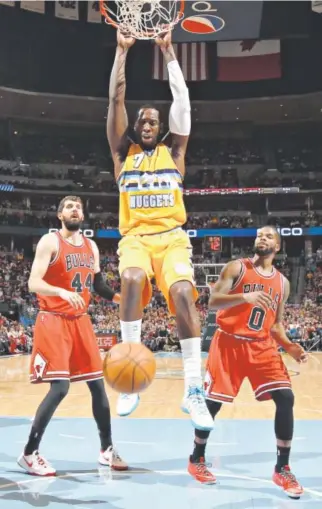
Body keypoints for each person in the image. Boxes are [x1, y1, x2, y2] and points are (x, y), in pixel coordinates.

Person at [106, 29, 213, 431]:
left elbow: (182, 100)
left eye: (154, 119)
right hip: (134, 238)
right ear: (135, 127)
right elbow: (116, 98)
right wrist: (121, 52)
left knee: (184, 293)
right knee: (132, 277)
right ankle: (131, 373)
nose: (148, 122)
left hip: (172, 239)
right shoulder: (123, 154)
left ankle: (192, 389)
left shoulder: (176, 151)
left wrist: (168, 51)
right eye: (142, 119)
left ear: (161, 126)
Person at [188, 226, 308, 499]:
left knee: (286, 397)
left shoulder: (282, 284)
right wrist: (245, 296)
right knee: (212, 404)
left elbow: (275, 324)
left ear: (277, 246)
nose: (261, 238)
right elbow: (213, 302)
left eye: (268, 236)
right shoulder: (236, 268)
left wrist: (290, 347)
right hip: (229, 342)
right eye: (259, 235)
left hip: (262, 345)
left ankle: (282, 468)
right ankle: (196, 458)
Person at [18, 195, 128, 476]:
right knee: (60, 388)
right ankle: (29, 453)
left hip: (80, 321)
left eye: (78, 206)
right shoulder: (50, 241)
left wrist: (118, 297)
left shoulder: (91, 246)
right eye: (69, 206)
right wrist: (61, 291)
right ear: (60, 215)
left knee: (97, 385)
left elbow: (98, 284)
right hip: (53, 319)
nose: (75, 210)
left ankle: (106, 449)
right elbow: (33, 282)